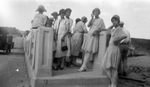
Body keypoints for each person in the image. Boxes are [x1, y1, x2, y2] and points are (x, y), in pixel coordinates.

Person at [102, 15, 127, 87]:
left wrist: (117, 40)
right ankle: (113, 83)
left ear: (118, 22)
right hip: (110, 49)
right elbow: (107, 30)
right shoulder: (114, 29)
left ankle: (113, 84)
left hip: (114, 49)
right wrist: (112, 25)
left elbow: (125, 36)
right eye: (112, 21)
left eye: (115, 20)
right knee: (105, 67)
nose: (113, 22)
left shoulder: (119, 28)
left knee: (113, 68)